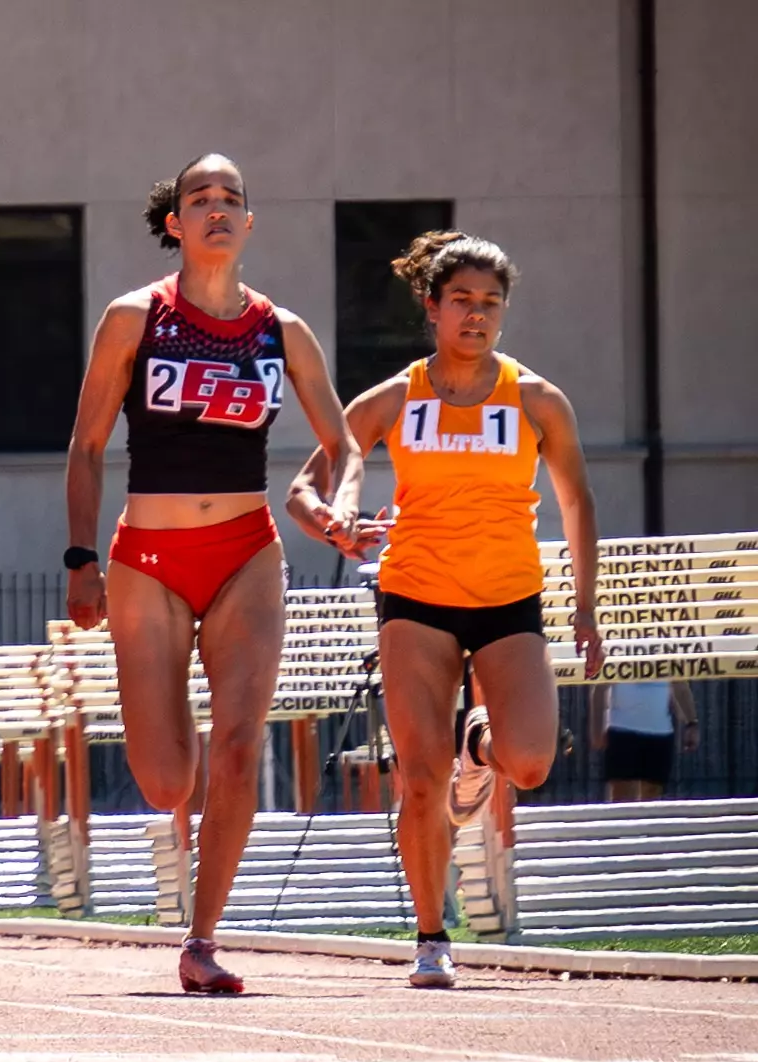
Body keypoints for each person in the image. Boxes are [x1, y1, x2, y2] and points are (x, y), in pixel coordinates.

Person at [64, 154, 364, 993]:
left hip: (247, 554)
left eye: (232, 198)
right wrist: (81, 558)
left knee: (238, 746)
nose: (218, 208)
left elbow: (343, 446)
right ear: (176, 223)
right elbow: (87, 445)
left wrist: (338, 508)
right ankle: (171, 726)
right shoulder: (136, 317)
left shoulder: (282, 330)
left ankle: (201, 942)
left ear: (250, 222)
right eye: (201, 198)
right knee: (169, 778)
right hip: (149, 561)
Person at [288, 230, 603, 989]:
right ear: (432, 307)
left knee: (529, 762)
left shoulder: (536, 400)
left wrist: (586, 608)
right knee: (421, 782)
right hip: (416, 600)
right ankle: (432, 937)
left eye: (490, 302)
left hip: (507, 599)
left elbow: (577, 503)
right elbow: (303, 490)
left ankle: (478, 748)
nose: (476, 314)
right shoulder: (395, 398)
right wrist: (333, 522)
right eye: (461, 299)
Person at [591, 681, 697, 802]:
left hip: (660, 733)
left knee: (653, 796)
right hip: (622, 731)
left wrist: (691, 723)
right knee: (622, 797)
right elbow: (599, 689)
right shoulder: (615, 666)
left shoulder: (669, 666)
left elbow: (681, 688)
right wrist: (596, 730)